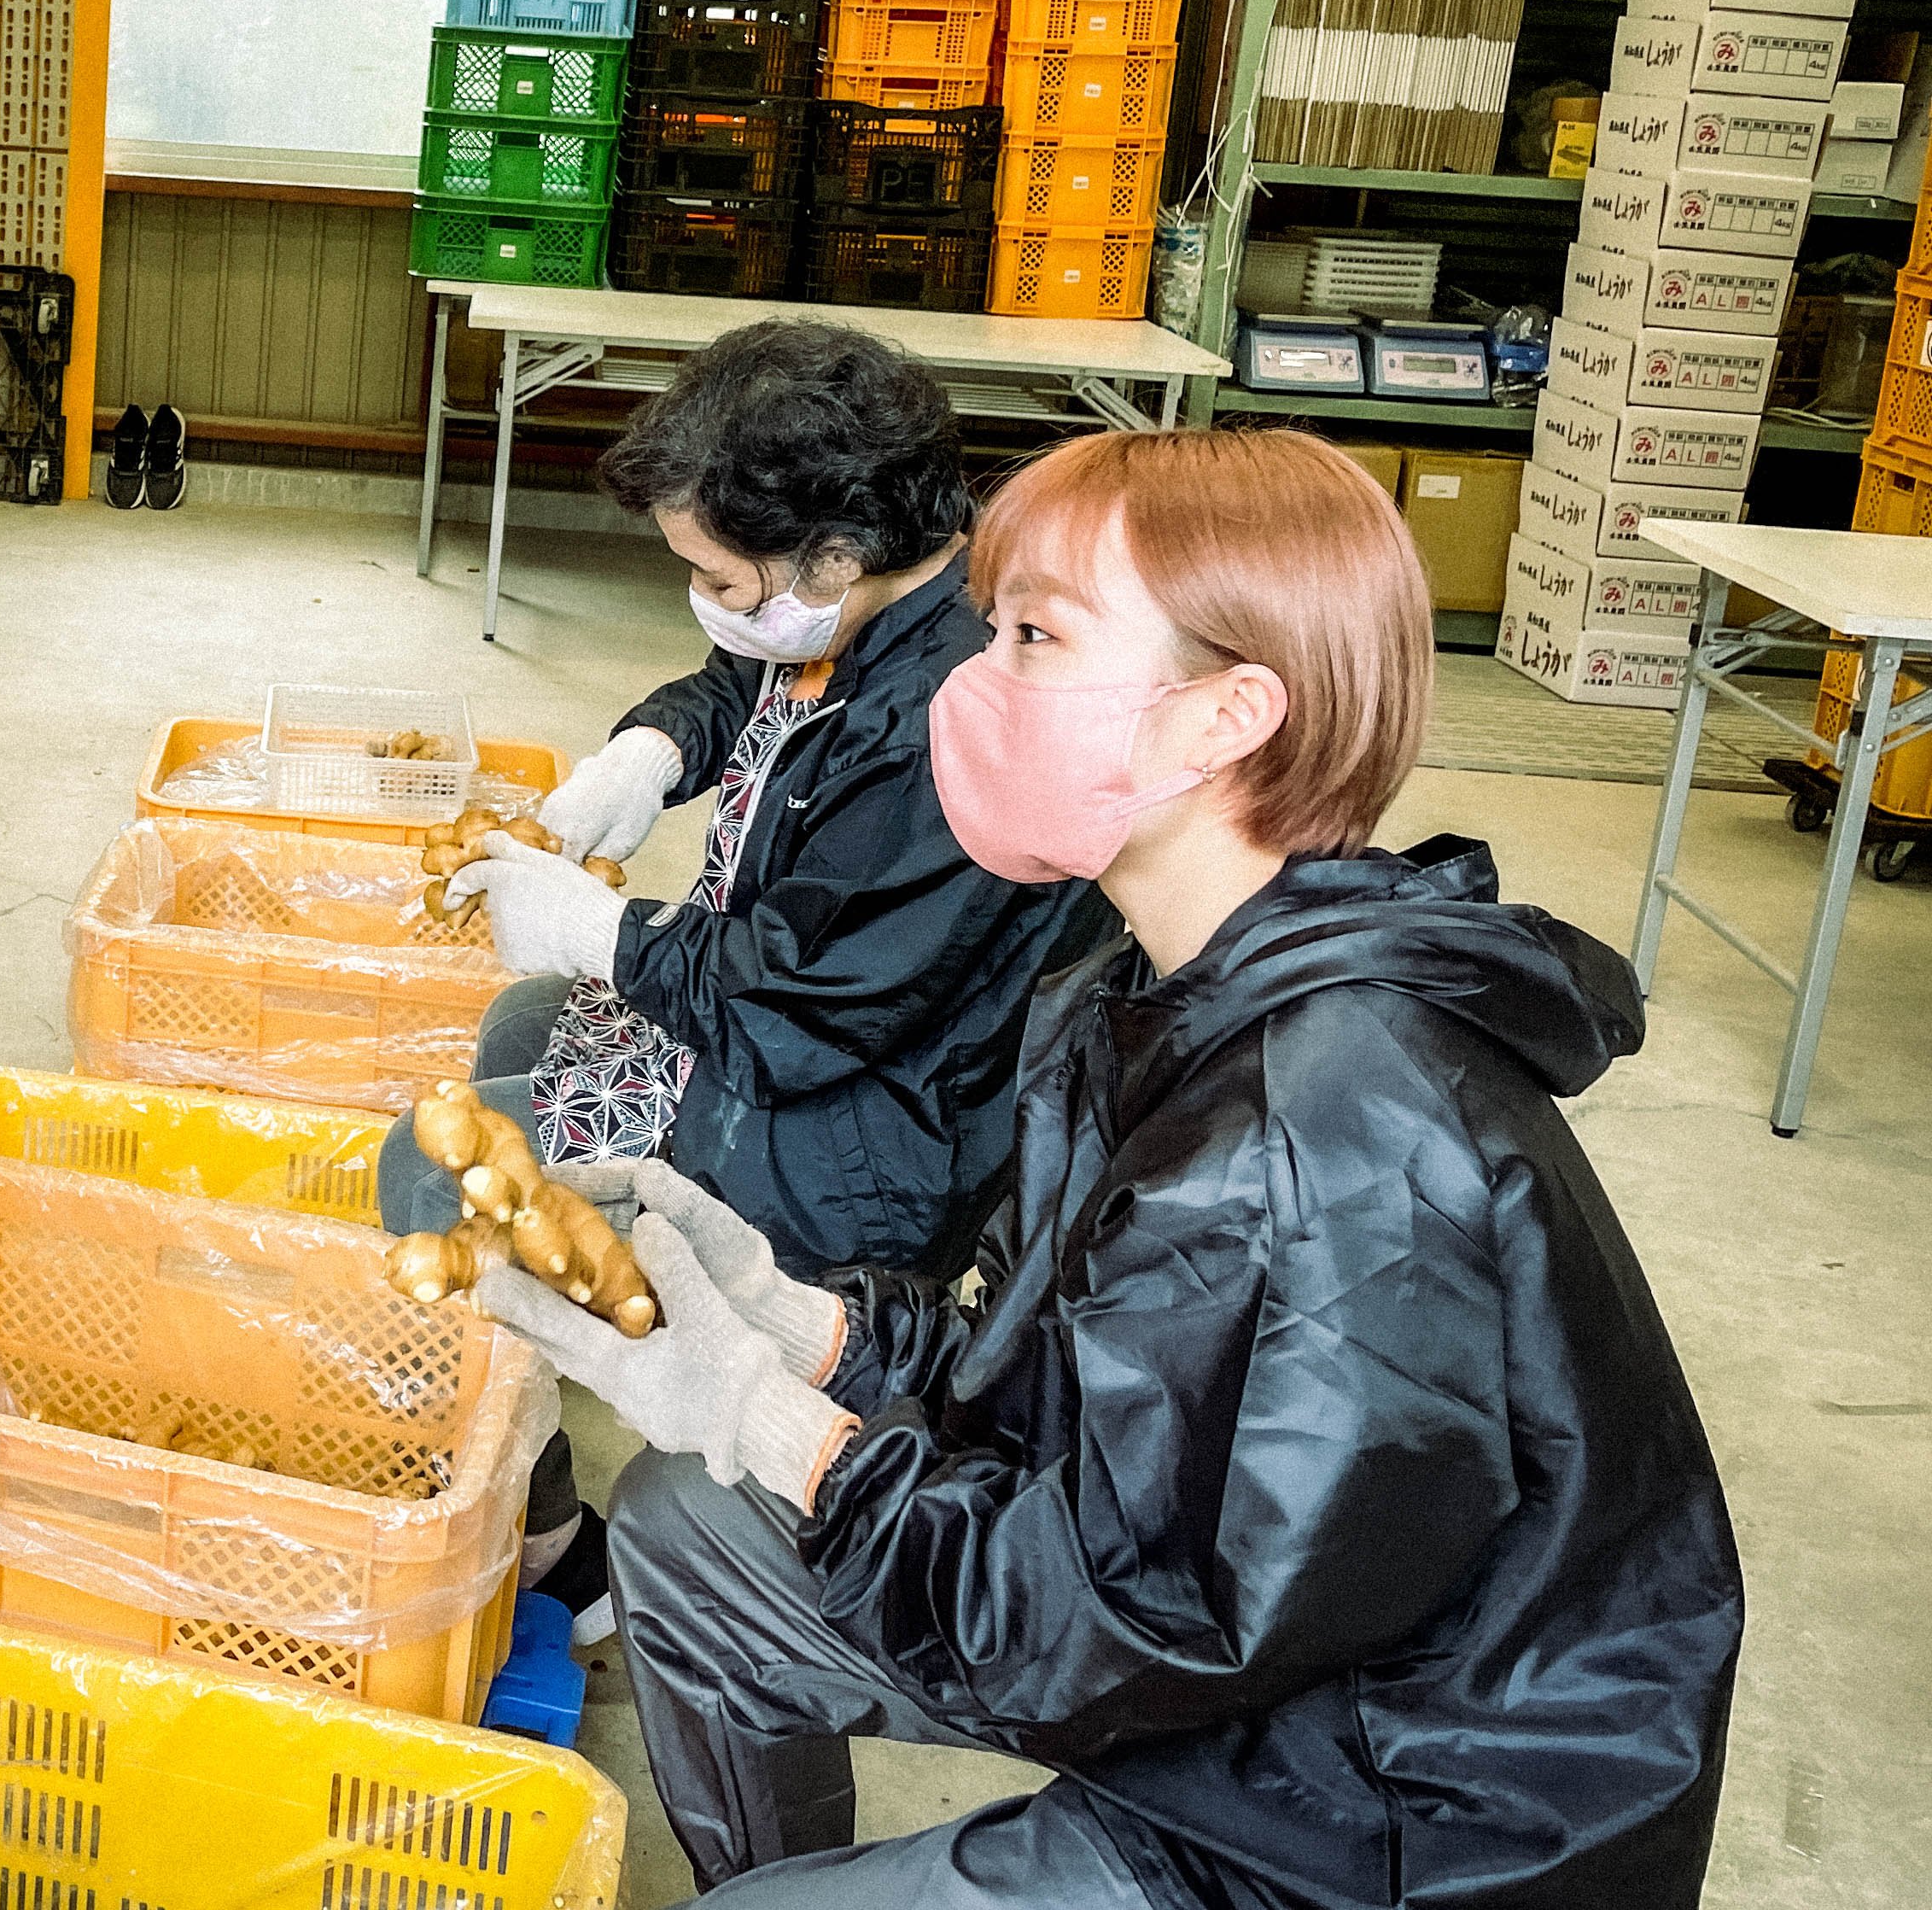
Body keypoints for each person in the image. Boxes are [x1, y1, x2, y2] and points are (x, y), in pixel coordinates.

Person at [473, 426, 1742, 1908]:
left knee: (746, 1482)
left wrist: (777, 1424)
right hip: (1234, 1681)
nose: (965, 680)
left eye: (1030, 638)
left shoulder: (1316, 1137)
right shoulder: (1138, 997)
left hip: (1375, 1817)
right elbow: (1082, 1395)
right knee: (695, 1533)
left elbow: (1114, 1636)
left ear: (1222, 718)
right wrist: (806, 1326)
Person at [379, 321, 1110, 1627]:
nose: (709, 601)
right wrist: (653, 750)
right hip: (817, 1033)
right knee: (527, 1019)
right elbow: (742, 671)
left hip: (867, 1127)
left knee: (433, 1170)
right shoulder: (883, 599)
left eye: (720, 573)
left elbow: (795, 1012)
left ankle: (561, 1544)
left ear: (836, 554)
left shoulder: (954, 720)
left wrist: (605, 935)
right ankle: (559, 1381)